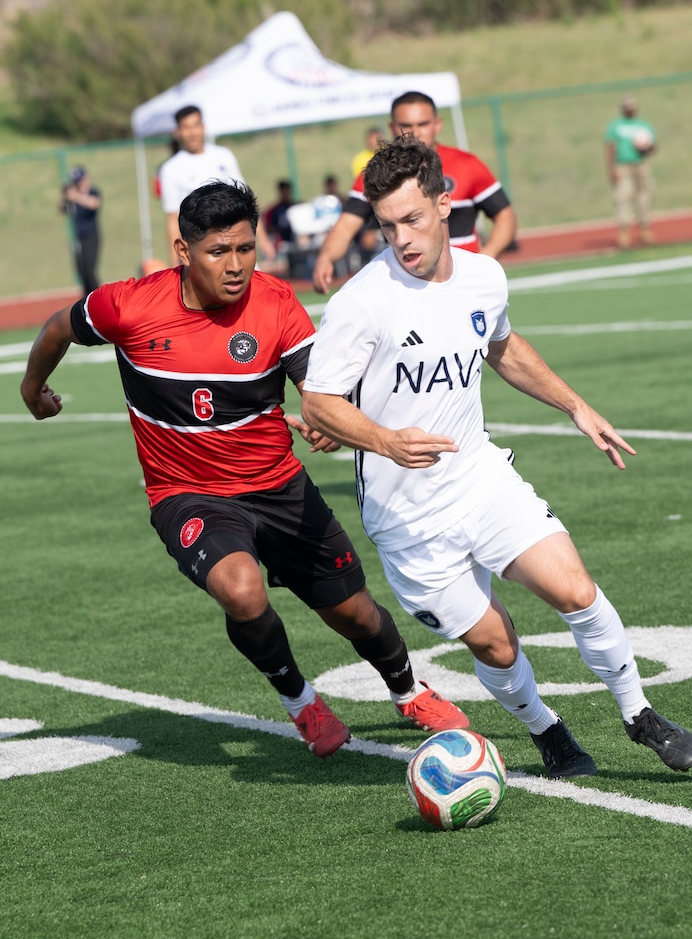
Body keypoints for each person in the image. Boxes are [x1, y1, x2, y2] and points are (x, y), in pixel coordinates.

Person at [20, 179, 467, 759]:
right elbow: (59, 326)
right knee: (241, 589)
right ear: (183, 252)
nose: (236, 266)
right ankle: (301, 701)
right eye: (218, 252)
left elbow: (319, 387)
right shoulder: (128, 306)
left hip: (278, 486)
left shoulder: (275, 302)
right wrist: (33, 387)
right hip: (187, 494)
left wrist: (326, 418)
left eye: (246, 249)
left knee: (354, 613)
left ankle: (408, 691)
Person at [301, 135, 692, 778]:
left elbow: (504, 348)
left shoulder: (484, 276)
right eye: (386, 226)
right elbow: (318, 404)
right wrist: (385, 440)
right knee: (495, 641)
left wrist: (575, 405)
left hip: (479, 478)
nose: (401, 239)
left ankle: (638, 714)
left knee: (575, 588)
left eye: (412, 219)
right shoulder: (360, 302)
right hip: (407, 519)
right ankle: (549, 731)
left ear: (444, 202)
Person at [312, 91, 518, 294]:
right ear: (392, 128)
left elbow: (505, 215)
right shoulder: (377, 175)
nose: (415, 132)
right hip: (407, 287)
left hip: (465, 284)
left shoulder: (467, 165)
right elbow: (347, 225)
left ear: (437, 125)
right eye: (406, 126)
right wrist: (326, 258)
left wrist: (486, 259)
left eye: (423, 124)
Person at [159, 104, 275, 267]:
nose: (192, 132)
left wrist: (262, 239)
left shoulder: (223, 156)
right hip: (204, 250)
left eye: (196, 125)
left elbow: (246, 200)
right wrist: (174, 263)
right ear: (177, 132)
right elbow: (172, 218)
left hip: (236, 241)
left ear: (203, 127)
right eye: (186, 127)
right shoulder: (170, 169)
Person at [604, 96, 657, 248]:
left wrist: (646, 147)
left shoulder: (644, 125)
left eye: (631, 107)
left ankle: (644, 229)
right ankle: (624, 232)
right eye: (626, 107)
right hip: (623, 165)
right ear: (622, 109)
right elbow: (610, 147)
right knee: (623, 197)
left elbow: (654, 147)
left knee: (645, 195)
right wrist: (611, 169)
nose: (629, 109)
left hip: (641, 164)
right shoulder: (616, 126)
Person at [59, 166, 102, 297]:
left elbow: (94, 204)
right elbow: (62, 210)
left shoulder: (93, 192)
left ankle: (98, 297)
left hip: (91, 236)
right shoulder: (73, 197)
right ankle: (87, 298)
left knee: (89, 270)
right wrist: (66, 197)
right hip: (78, 238)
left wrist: (75, 196)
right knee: (81, 270)